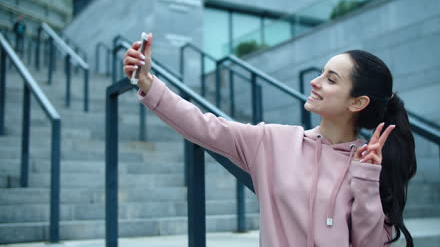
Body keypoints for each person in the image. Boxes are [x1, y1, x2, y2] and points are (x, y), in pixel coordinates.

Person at [123, 33, 417, 247]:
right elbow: (202, 126)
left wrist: (366, 180)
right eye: (320, 73)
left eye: (331, 79)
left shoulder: (370, 165)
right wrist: (147, 81)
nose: (315, 82)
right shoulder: (272, 142)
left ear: (357, 103)